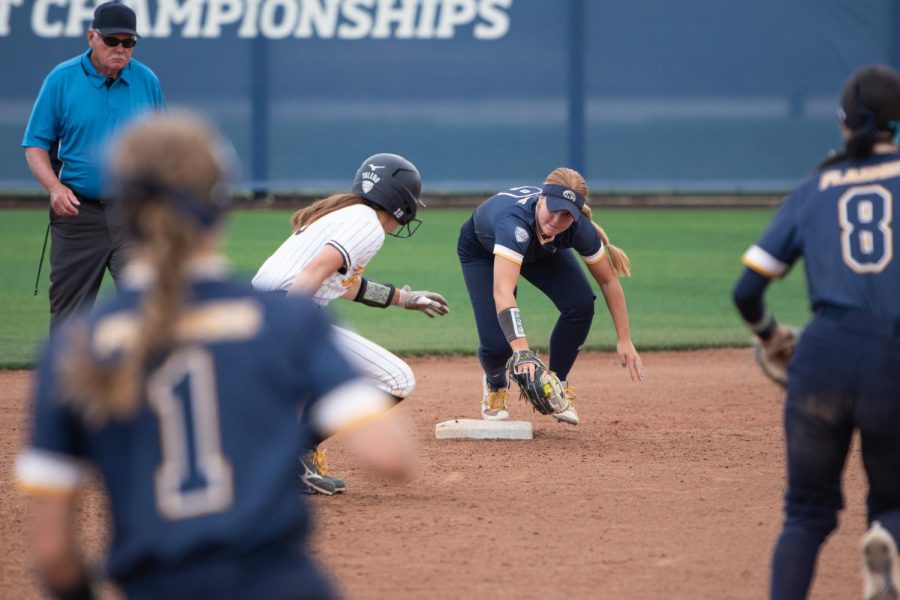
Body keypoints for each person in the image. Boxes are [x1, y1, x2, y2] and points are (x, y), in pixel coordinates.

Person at [15, 113, 414, 600]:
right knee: (396, 379)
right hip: (278, 584)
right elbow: (391, 457)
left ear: (123, 210)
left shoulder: (75, 347)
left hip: (154, 583)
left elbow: (54, 555)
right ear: (219, 205)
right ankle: (298, 452)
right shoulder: (286, 324)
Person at [731, 64, 900, 600]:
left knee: (805, 513)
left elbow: (746, 291)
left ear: (845, 122)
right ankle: (885, 538)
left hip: (821, 358)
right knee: (894, 501)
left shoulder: (815, 185)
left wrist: (770, 335)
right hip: (891, 357)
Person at [252, 153, 448, 495]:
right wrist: (289, 328)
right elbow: (314, 273)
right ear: (400, 200)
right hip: (285, 308)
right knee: (397, 378)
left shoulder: (349, 215)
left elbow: (341, 283)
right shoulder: (368, 225)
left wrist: (404, 298)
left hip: (269, 306)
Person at [456, 167, 644, 426]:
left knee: (580, 304)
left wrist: (625, 339)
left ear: (576, 215)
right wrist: (521, 350)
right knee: (499, 346)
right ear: (541, 198)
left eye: (566, 214)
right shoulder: (513, 223)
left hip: (541, 249)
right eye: (553, 208)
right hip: (483, 250)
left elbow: (608, 281)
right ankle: (496, 384)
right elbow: (503, 291)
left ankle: (556, 385)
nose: (556, 219)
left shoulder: (578, 228)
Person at [22, 1, 166, 330]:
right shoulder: (61, 79)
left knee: (150, 307)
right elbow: (35, 144)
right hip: (78, 214)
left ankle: (143, 381)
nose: (120, 49)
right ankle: (66, 382)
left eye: (128, 42)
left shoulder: (146, 81)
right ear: (91, 37)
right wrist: (54, 188)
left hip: (134, 214)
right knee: (70, 315)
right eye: (111, 41)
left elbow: (162, 146)